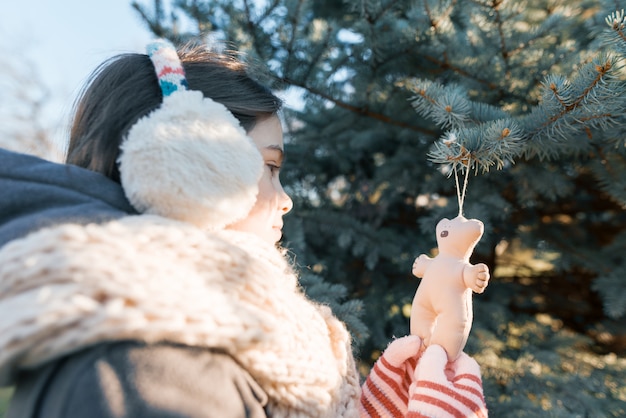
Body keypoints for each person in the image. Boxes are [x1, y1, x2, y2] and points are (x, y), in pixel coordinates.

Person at [0, 39, 488, 417]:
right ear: (189, 167)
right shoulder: (153, 363)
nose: (287, 198)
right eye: (270, 167)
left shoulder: (212, 337)